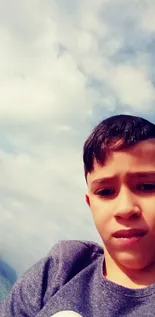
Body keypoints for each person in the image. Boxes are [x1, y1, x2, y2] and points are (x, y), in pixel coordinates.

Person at [1, 114, 155, 317]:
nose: (125, 209)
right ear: (91, 204)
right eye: (106, 192)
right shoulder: (61, 268)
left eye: (146, 186)